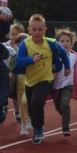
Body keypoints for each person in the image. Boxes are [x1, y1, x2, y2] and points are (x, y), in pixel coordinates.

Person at [15, 14, 71, 144]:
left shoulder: (51, 43)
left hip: (46, 78)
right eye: (34, 30)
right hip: (30, 81)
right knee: (31, 106)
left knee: (37, 101)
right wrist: (31, 59)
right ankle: (37, 125)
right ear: (29, 30)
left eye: (40, 29)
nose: (37, 32)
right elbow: (18, 62)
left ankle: (39, 129)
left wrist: (67, 67)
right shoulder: (25, 44)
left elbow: (63, 53)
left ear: (45, 30)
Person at [52, 28, 77, 137]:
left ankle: (65, 127)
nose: (65, 43)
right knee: (58, 107)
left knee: (64, 105)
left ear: (71, 44)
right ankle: (66, 116)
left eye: (68, 41)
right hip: (56, 86)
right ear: (57, 43)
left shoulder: (74, 57)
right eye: (62, 41)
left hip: (68, 85)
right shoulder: (54, 56)